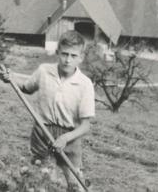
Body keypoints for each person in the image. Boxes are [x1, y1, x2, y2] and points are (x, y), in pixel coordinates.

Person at [7, 31, 95, 192]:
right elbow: (26, 88)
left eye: (73, 56)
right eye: (64, 54)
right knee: (42, 179)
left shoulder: (85, 84)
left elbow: (86, 126)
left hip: (69, 137)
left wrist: (65, 138)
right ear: (57, 53)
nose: (68, 60)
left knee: (75, 184)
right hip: (42, 131)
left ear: (81, 57)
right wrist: (11, 78)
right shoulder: (44, 71)